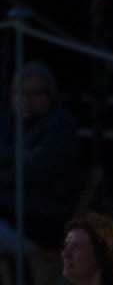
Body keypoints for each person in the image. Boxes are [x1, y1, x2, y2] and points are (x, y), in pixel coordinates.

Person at [0, 60, 86, 258]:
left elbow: (35, 171)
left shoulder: (60, 126)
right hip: (11, 209)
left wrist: (12, 163)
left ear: (50, 95)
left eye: (35, 93)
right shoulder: (7, 124)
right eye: (19, 93)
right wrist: (18, 156)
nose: (26, 100)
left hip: (41, 218)